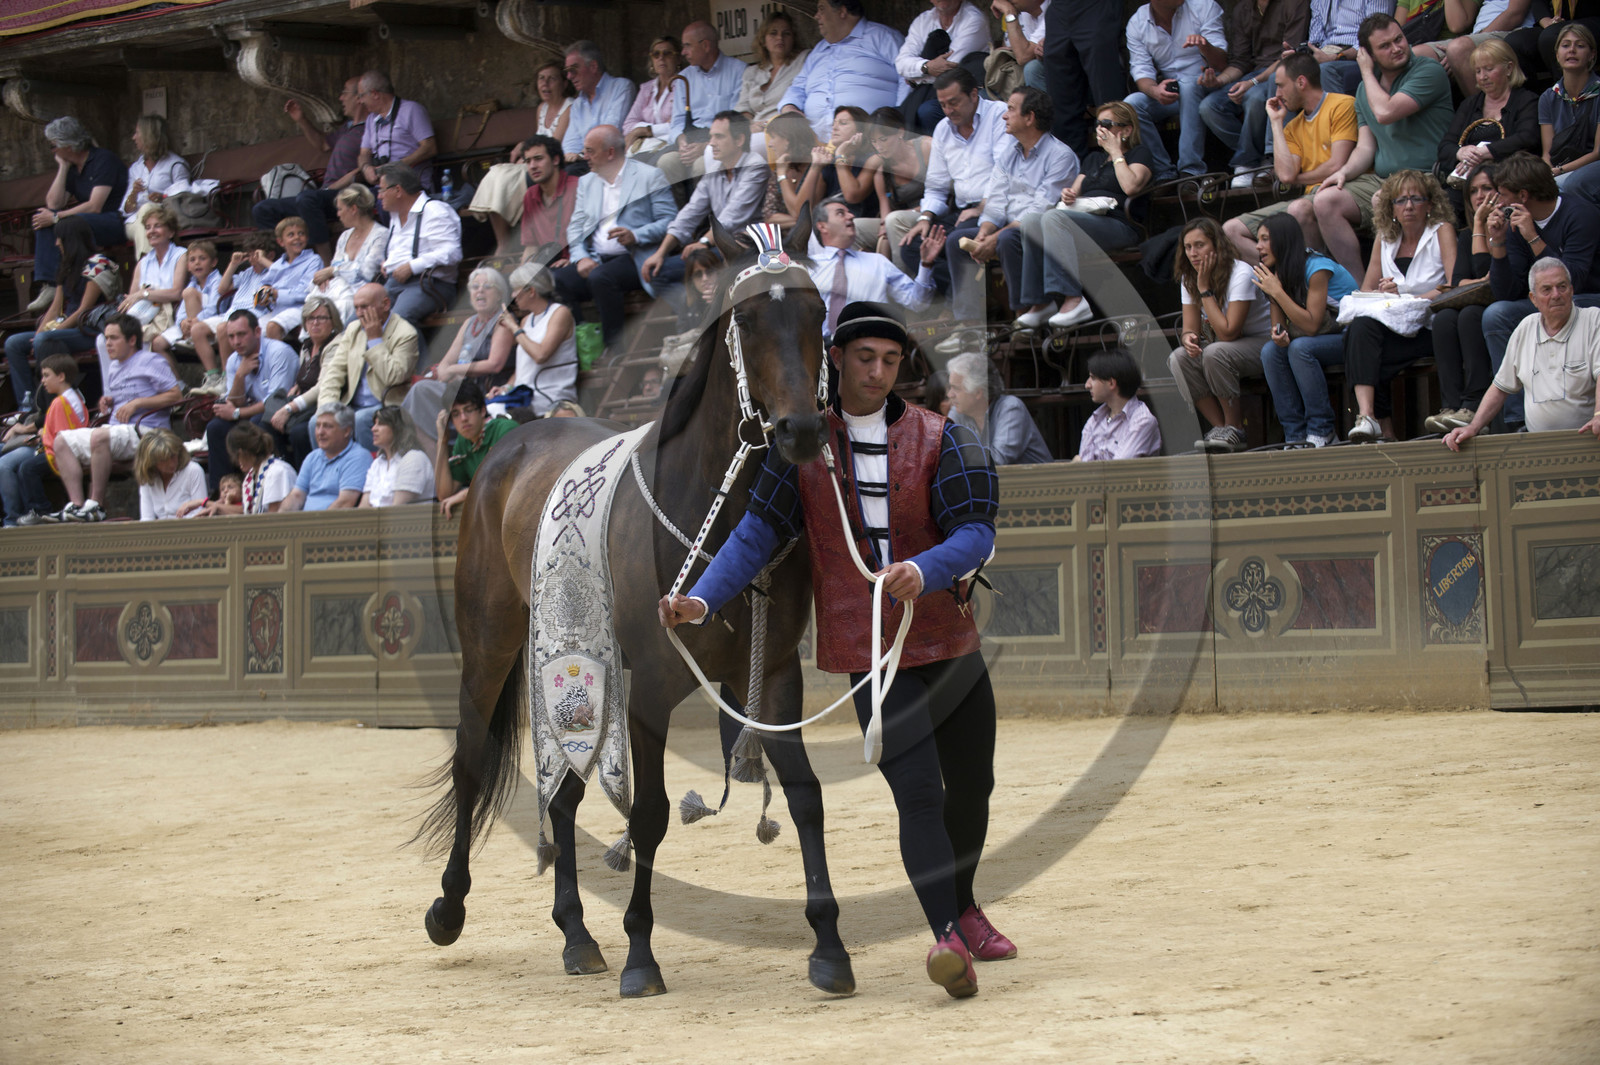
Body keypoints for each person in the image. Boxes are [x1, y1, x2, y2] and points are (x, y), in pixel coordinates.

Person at [659, 301, 1012, 1000]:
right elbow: (756, 536)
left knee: (973, 787)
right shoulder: (802, 449)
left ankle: (965, 905)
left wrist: (927, 568)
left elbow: (976, 534)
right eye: (864, 359)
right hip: (872, 653)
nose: (878, 373)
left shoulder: (945, 437)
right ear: (837, 361)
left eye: (890, 361)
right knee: (918, 793)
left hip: (946, 636)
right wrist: (700, 599)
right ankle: (947, 936)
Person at [1313, 13, 1458, 278]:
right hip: (1384, 178)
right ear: (1368, 53)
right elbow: (1366, 148)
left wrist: (1366, 71)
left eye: (1399, 39)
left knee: (1386, 199)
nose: (1397, 48)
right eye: (1385, 46)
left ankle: (1391, 283)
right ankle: (1359, 288)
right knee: (1325, 201)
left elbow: (1385, 112)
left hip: (1426, 176)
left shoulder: (1428, 70)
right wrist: (1344, 172)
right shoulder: (1363, 90)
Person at [943, 87, 1079, 347]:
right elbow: (995, 201)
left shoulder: (1060, 155)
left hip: (1039, 228)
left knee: (1008, 240)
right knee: (955, 241)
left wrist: (995, 237)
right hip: (1008, 225)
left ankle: (1025, 314)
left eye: (1011, 109)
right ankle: (970, 325)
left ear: (1030, 117)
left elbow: (1040, 210)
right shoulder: (1009, 154)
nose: (1004, 116)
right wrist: (984, 231)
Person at [1479, 151, 1600, 430]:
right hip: (1547, 301)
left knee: (1562, 300)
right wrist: (1497, 243)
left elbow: (1574, 282)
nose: (1499, 202)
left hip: (1588, 298)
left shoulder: (1581, 214)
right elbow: (1508, 292)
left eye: (1503, 194)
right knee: (1496, 314)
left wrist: (1533, 236)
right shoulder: (1515, 222)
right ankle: (1517, 419)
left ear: (1523, 195)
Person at [1012, 101, 1155, 331]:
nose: (1100, 129)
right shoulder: (1093, 159)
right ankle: (1040, 303)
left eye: (1107, 124)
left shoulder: (1140, 154)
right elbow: (1072, 193)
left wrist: (1116, 152)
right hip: (1086, 218)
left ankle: (1073, 299)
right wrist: (1068, 195)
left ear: (1126, 130)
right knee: (1031, 221)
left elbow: (1131, 186)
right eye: (1098, 124)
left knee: (1053, 219)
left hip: (1120, 223)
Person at [1343, 170, 1457, 443]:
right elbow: (1367, 288)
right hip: (1394, 323)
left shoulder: (1441, 231)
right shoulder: (1385, 236)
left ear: (1430, 204)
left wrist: (1406, 296)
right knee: (1359, 330)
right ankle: (1368, 416)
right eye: (1400, 200)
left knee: (1367, 355)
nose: (1408, 206)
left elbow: (1453, 285)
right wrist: (1384, 291)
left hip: (1430, 326)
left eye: (1416, 199)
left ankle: (1386, 429)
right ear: (1390, 207)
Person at [1444, 257, 1600, 447]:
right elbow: (1500, 387)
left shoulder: (1593, 320)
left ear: (1572, 290)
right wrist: (1474, 426)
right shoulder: (1526, 328)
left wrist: (1599, 416)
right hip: (1538, 447)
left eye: (1562, 286)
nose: (1556, 294)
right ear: (1533, 299)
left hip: (1588, 442)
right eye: (1547, 289)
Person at [551, 125, 680, 350]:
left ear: (610, 152)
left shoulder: (649, 176)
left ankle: (614, 349)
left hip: (636, 255)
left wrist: (636, 235)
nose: (585, 157)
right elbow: (575, 228)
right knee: (558, 280)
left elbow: (671, 221)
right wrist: (580, 257)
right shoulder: (587, 181)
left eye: (590, 151)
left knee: (601, 278)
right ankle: (583, 343)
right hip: (596, 258)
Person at [1223, 53, 1359, 262]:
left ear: (1301, 82)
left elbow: (1336, 165)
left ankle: (1322, 283)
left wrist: (1299, 179)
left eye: (1280, 85)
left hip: (1342, 192)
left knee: (1300, 207)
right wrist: (1276, 123)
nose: (1277, 93)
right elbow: (1286, 175)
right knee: (1231, 230)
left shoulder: (1341, 105)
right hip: (1310, 197)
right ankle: (1288, 281)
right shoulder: (1292, 126)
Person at [50, 314, 183, 523]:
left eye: (114, 338)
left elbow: (176, 395)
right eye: (106, 338)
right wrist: (109, 401)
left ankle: (96, 505)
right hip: (118, 431)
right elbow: (122, 397)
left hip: (148, 431)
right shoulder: (114, 367)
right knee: (60, 440)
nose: (108, 343)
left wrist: (138, 402)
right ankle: (77, 506)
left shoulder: (151, 360)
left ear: (131, 340)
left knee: (100, 436)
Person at [886, 68, 1009, 278]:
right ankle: (955, 296)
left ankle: (962, 303)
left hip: (997, 207)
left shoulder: (998, 114)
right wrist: (925, 217)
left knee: (955, 241)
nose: (948, 110)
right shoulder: (943, 128)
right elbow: (936, 185)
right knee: (912, 246)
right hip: (962, 212)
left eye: (953, 102)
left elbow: (1004, 171)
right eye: (943, 105)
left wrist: (981, 207)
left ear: (973, 94)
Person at [1166, 218, 1275, 453]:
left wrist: (1205, 289)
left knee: (1215, 352)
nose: (1193, 253)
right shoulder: (1189, 278)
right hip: (1230, 346)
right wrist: (1189, 339)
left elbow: (1228, 332)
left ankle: (1235, 427)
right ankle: (1219, 428)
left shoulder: (1241, 273)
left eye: (1200, 245)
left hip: (1264, 343)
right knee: (1179, 358)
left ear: (1217, 246)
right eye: (1188, 247)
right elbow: (1190, 328)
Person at [1252, 213, 1360, 447]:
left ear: (1283, 240)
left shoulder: (1317, 267)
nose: (1258, 246)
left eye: (1265, 239)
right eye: (1257, 239)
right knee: (1270, 352)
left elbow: (1311, 326)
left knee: (1300, 349)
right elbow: (1278, 327)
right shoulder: (1278, 271)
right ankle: (1295, 434)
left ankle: (1323, 430)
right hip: (1321, 337)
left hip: (1353, 337)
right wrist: (1278, 335)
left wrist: (1277, 291)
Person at [4, 216, 119, 415]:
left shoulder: (97, 263)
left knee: (45, 340)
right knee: (13, 343)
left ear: (72, 239)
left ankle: (49, 404)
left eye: (60, 238)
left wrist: (53, 331)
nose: (56, 243)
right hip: (66, 329)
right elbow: (55, 308)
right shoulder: (66, 265)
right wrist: (38, 333)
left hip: (89, 329)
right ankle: (27, 404)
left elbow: (83, 309)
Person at [643, 112, 769, 284]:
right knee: (657, 272)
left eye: (718, 137)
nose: (711, 143)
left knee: (689, 268)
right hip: (721, 245)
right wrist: (660, 253)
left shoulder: (755, 166)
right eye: (711, 137)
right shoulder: (715, 169)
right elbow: (691, 211)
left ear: (739, 140)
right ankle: (699, 309)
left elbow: (732, 217)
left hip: (751, 248)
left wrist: (704, 242)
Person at [253, 77, 369, 260]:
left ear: (359, 98)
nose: (340, 98)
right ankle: (286, 264)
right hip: (325, 196)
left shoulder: (372, 128)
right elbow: (323, 144)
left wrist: (333, 187)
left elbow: (366, 169)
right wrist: (301, 119)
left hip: (349, 194)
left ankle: (324, 263)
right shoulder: (348, 128)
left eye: (344, 93)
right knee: (263, 208)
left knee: (307, 198)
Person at [1200, 0, 1311, 189]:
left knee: (1255, 98)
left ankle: (1257, 161)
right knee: (1209, 107)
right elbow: (1240, 61)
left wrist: (1253, 82)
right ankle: (1253, 155)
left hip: (1284, 71)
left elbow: (1290, 56)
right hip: (1254, 73)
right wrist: (1220, 81)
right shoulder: (1243, 8)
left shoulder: (1294, 3)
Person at [404, 268, 516, 447]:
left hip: (484, 391)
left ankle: (409, 439)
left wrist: (455, 369)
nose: (479, 290)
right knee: (421, 393)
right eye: (475, 287)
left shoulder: (502, 322)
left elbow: (494, 364)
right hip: (459, 388)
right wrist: (446, 371)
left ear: (499, 294)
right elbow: (445, 363)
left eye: (487, 286)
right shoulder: (469, 323)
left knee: (420, 391)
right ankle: (424, 446)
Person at [28, 116, 128, 314]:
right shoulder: (73, 167)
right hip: (87, 222)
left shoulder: (102, 159)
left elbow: (95, 206)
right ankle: (50, 284)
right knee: (44, 218)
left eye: (54, 145)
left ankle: (71, 286)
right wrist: (63, 167)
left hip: (113, 220)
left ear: (68, 145)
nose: (52, 151)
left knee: (65, 222)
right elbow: (54, 203)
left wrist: (57, 218)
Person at [1425, 161, 1498, 434]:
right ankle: (1450, 406)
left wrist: (1481, 221)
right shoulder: (1467, 236)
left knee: (1470, 316)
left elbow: (1485, 275)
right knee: (1444, 318)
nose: (1480, 196)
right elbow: (1459, 282)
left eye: (1487, 188)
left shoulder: (1509, 225)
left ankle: (1474, 404)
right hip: (1479, 299)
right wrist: (1481, 280)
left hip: (1503, 300)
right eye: (1474, 191)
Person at [1125, 0, 1229, 182]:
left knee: (1189, 85)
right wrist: (1155, 90)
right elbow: (1141, 70)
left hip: (1209, 86)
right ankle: (1164, 173)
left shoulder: (1204, 6)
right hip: (1173, 93)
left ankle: (1191, 172)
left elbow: (1221, 62)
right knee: (1132, 104)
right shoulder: (1137, 22)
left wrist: (1205, 46)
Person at [778, 0, 905, 146]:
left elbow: (907, 77)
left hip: (867, 141)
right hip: (813, 144)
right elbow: (797, 87)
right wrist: (790, 108)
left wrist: (897, 117)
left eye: (821, 9)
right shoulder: (819, 49)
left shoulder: (882, 37)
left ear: (842, 11)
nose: (816, 16)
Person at [202, 309, 299, 498]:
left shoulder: (278, 352)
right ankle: (223, 491)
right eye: (231, 337)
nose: (236, 342)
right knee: (216, 428)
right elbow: (234, 401)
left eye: (241, 334)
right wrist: (240, 375)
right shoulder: (233, 360)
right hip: (252, 411)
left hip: (284, 413)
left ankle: (263, 487)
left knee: (256, 423)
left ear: (257, 332)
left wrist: (237, 414)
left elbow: (274, 403)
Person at [809, 198, 944, 334]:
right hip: (819, 348)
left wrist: (926, 265)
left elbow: (917, 303)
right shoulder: (808, 269)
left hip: (869, 343)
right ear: (822, 226)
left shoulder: (878, 262)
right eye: (840, 213)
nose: (851, 216)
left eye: (849, 212)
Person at [316, 282, 421, 450]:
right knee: (316, 422)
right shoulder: (354, 329)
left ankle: (369, 469)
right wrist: (326, 409)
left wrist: (375, 340)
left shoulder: (405, 333)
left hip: (387, 405)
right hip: (352, 405)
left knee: (361, 419)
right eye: (356, 308)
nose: (359, 314)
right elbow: (334, 373)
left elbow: (393, 377)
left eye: (364, 307)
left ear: (386, 304)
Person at [1435, 38, 1540, 194]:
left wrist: (1486, 152)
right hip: (1467, 183)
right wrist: (1461, 152)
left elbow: (1527, 137)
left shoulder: (1526, 100)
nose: (1482, 76)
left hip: (1509, 181)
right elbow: (1445, 146)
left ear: (1509, 68)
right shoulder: (1470, 104)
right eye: (1478, 71)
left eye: (1489, 69)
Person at [658, 22, 748, 191]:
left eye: (687, 46)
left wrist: (707, 145)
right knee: (666, 163)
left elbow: (736, 120)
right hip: (691, 138)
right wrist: (682, 141)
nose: (683, 52)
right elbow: (677, 122)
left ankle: (708, 217)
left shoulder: (738, 71)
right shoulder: (684, 77)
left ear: (705, 45)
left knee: (702, 166)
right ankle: (680, 216)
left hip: (722, 140)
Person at [189, 232, 281, 390]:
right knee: (197, 329)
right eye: (250, 255)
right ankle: (213, 376)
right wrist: (233, 264)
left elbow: (284, 274)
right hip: (231, 314)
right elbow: (222, 288)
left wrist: (264, 261)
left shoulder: (275, 272)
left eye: (256, 255)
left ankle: (227, 378)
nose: (252, 259)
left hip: (254, 316)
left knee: (223, 328)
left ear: (269, 255)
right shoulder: (247, 273)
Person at [1, 354, 86, 527]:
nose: (43, 381)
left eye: (47, 375)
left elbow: (64, 435)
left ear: (61, 376)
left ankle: (40, 511)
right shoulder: (69, 398)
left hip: (66, 452)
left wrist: (42, 436)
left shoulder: (62, 401)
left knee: (28, 468)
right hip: (63, 447)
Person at [376, 162, 462, 329]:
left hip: (432, 284)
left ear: (398, 190)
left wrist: (412, 266)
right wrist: (387, 262)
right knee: (362, 320)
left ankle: (423, 357)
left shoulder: (435, 211)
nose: (379, 196)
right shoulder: (395, 216)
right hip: (394, 283)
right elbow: (401, 250)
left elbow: (452, 252)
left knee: (397, 322)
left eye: (382, 190)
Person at [1041, 0, 1127, 155]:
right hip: (1059, 9)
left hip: (1095, 6)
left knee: (1106, 92)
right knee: (1060, 98)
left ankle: (1119, 162)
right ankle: (1070, 169)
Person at [268, 295, 344, 468]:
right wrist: (296, 386)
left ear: (333, 321)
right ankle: (283, 469)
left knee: (299, 433)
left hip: (321, 404)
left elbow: (323, 386)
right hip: (303, 402)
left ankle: (304, 474)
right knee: (262, 421)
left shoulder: (335, 345)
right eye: (310, 318)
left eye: (321, 318)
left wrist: (289, 408)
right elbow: (305, 375)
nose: (315, 323)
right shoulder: (307, 345)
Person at [493, 262, 578, 416]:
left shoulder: (560, 313)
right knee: (490, 408)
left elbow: (540, 355)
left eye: (516, 290)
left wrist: (514, 328)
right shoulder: (526, 320)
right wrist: (506, 387)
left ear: (531, 291)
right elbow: (524, 367)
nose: (512, 296)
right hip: (525, 395)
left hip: (550, 396)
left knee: (498, 415)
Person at [897, 0, 992, 133]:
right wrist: (926, 67)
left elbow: (949, 69)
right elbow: (901, 63)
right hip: (927, 94)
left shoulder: (974, 19)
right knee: (892, 116)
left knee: (927, 111)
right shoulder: (923, 20)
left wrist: (914, 78)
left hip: (964, 95)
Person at [945, 350, 1052, 463]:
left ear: (978, 392)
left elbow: (997, 461)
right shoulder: (958, 411)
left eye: (956, 388)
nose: (949, 394)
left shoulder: (1011, 408)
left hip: (1037, 480)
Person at [1412, 0, 1536, 97]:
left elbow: (1515, 14)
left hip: (1511, 32)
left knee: (1458, 49)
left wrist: (1467, 48)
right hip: (1476, 35)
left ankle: (1488, 122)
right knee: (1417, 54)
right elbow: (1457, 23)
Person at [434, 380, 518, 518]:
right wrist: (442, 441)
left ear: (482, 410)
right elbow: (444, 494)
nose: (463, 418)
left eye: (468, 410)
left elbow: (504, 482)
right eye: (455, 414)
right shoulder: (463, 442)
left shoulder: (504, 429)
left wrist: (466, 494)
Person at [182, 421, 295, 517]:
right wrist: (211, 505)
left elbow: (273, 518)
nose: (236, 461)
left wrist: (207, 504)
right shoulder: (252, 475)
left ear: (241, 452)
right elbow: (247, 513)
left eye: (235, 455)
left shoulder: (277, 471)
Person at [311, 184, 387, 322]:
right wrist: (325, 277)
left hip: (361, 295)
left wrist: (334, 271)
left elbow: (367, 272)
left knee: (332, 309)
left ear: (353, 209)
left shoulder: (380, 234)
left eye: (340, 209)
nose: (338, 214)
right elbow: (333, 268)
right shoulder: (345, 236)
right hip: (338, 291)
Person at [862, 108, 931, 255]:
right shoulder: (881, 169)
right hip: (902, 217)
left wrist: (913, 212)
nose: (879, 147)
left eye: (883, 139)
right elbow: (885, 206)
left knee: (894, 220)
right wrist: (883, 225)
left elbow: (945, 192)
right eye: (874, 141)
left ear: (900, 132)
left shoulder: (926, 147)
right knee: (856, 227)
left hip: (933, 210)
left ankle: (903, 275)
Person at [121, 114, 192, 256]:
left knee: (149, 213)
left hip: (163, 220)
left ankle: (146, 266)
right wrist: (134, 194)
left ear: (149, 136)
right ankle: (150, 267)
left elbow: (185, 200)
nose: (133, 138)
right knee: (145, 220)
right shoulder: (136, 168)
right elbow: (126, 209)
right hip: (134, 222)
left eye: (137, 133)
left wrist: (163, 198)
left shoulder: (175, 165)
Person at [1541, 24, 1600, 192]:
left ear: (1592, 55)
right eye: (1565, 45)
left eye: (1580, 46)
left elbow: (1598, 153)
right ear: (1557, 54)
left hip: (1593, 166)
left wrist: (1559, 171)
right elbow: (1547, 153)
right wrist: (1547, 171)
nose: (1572, 50)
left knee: (1565, 186)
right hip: (1558, 168)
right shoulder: (1548, 97)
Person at [281, 404, 372, 512]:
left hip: (333, 525)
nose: (320, 432)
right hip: (306, 524)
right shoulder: (312, 457)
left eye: (327, 426)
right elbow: (296, 496)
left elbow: (345, 502)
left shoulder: (358, 457)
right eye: (318, 426)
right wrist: (280, 521)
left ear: (347, 431)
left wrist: (316, 526)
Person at [1076, 347, 1164, 460]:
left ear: (1111, 383)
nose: (1087, 385)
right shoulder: (1095, 419)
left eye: (1093, 378)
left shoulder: (1142, 421)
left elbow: (1119, 468)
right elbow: (1084, 469)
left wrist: (1078, 460)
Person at [356, 71, 437, 192]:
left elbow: (430, 147)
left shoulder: (411, 110)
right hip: (381, 187)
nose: (360, 101)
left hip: (409, 185)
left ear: (374, 93)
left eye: (361, 96)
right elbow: (364, 153)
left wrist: (397, 166)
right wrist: (366, 168)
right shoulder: (371, 119)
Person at [118, 204, 188, 343]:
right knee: (104, 339)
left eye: (157, 226)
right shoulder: (143, 263)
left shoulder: (181, 255)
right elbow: (131, 299)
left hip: (170, 314)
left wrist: (144, 294)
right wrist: (138, 296)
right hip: (144, 314)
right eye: (148, 227)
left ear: (171, 232)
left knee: (128, 339)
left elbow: (176, 293)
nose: (152, 231)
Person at [561, 41, 637, 163]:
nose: (569, 76)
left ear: (593, 67)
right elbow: (570, 142)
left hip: (610, 161)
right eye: (567, 72)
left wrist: (581, 154)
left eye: (573, 70)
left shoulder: (621, 87)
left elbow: (610, 131)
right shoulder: (577, 104)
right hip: (582, 163)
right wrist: (572, 155)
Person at [1301, 0, 1396, 96]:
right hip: (1327, 52)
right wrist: (1301, 54)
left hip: (1360, 56)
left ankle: (1340, 111)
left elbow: (1376, 39)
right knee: (1291, 68)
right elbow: (1315, 41)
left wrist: (1336, 57)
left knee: (1325, 70)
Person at [737, 12, 810, 137]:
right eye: (773, 33)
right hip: (754, 131)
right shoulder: (752, 72)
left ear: (793, 38)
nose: (780, 38)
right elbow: (744, 108)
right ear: (763, 40)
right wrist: (750, 126)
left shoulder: (803, 60)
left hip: (783, 132)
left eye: (786, 33)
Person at [152, 240, 221, 361]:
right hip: (190, 325)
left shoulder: (218, 281)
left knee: (189, 293)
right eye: (192, 260)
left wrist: (196, 320)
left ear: (213, 262)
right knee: (157, 344)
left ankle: (192, 337)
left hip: (210, 324)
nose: (197, 263)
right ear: (188, 266)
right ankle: (177, 380)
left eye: (202, 258)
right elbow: (182, 310)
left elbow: (214, 308)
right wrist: (183, 322)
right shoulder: (192, 284)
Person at [255, 216, 322, 340]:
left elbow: (306, 292)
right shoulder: (277, 265)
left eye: (301, 234)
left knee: (272, 327)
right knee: (249, 331)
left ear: (307, 238)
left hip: (301, 309)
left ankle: (277, 359)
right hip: (276, 311)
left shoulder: (313, 260)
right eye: (291, 235)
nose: (297, 237)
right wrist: (262, 296)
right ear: (281, 242)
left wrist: (277, 294)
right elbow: (263, 288)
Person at [519, 134, 581, 267]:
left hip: (577, 262)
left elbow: (592, 237)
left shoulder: (577, 187)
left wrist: (574, 259)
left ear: (556, 160)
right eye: (528, 161)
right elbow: (531, 246)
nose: (532, 166)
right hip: (547, 266)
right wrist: (523, 276)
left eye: (538, 159)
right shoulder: (530, 195)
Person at [361, 405, 435, 507]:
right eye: (374, 424)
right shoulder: (377, 463)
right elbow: (364, 506)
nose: (373, 429)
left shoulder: (414, 459)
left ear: (398, 428)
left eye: (381, 424)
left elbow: (397, 511)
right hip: (375, 521)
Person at [761, 112, 827, 225]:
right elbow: (769, 216)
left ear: (788, 139)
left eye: (773, 137)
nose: (770, 144)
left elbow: (801, 212)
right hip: (782, 233)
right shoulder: (781, 166)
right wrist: (798, 221)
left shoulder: (818, 165)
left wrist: (782, 175)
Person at [623, 37, 682, 161]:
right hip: (646, 148)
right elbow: (628, 124)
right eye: (656, 54)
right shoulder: (646, 88)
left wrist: (643, 130)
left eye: (667, 53)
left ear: (678, 58)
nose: (661, 58)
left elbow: (676, 125)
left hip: (672, 147)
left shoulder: (684, 85)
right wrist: (656, 129)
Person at [133, 429, 206, 521]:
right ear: (151, 462)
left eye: (173, 456)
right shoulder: (147, 478)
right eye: (163, 460)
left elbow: (200, 514)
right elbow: (147, 518)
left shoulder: (193, 471)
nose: (171, 464)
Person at [987, 0, 1051, 95]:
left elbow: (1023, 57)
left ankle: (1040, 109)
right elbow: (1010, 49)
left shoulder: (1055, 9)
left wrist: (1009, 12)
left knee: (1032, 68)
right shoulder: (1024, 11)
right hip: (1019, 79)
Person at [535, 59, 577, 148]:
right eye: (541, 78)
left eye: (552, 79)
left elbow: (553, 147)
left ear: (564, 84)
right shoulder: (542, 108)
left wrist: (524, 148)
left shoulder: (570, 108)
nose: (545, 83)